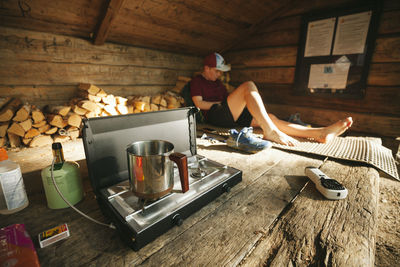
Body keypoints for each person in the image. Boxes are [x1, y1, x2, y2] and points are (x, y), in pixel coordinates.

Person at [190, 52, 353, 146]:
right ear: (206, 68)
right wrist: (221, 103)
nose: (219, 74)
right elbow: (198, 103)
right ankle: (270, 132)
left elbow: (228, 101)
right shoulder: (197, 81)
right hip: (216, 115)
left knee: (271, 117)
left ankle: (320, 133)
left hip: (229, 114)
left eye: (220, 71)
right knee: (248, 85)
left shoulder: (218, 83)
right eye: (217, 71)